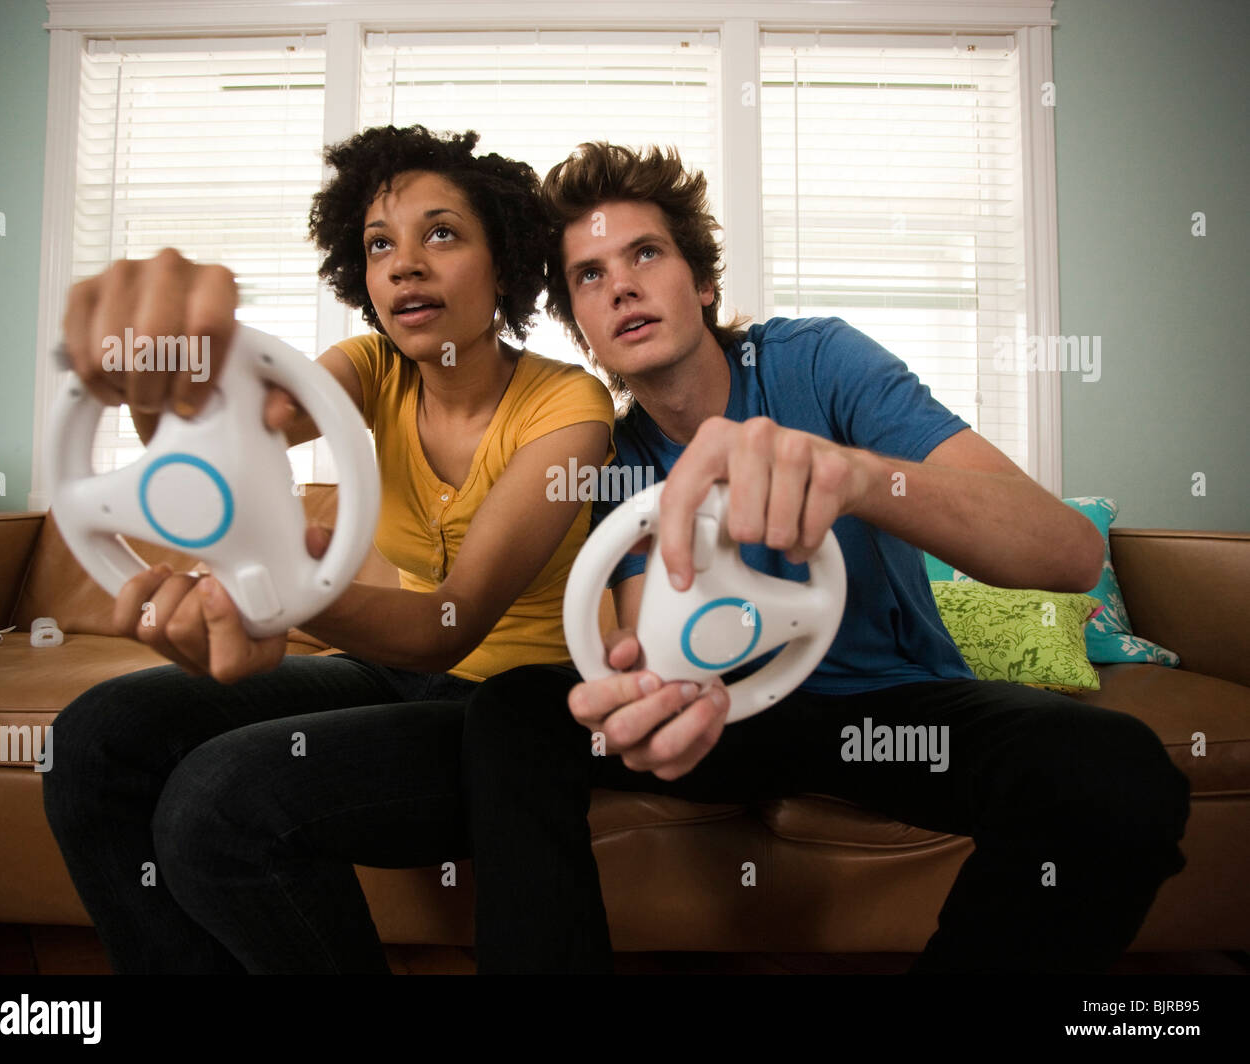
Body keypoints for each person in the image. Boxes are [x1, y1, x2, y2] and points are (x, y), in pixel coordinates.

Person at [459, 142, 1192, 973]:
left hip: (890, 711)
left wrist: (856, 475)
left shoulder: (819, 361)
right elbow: (652, 651)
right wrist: (648, 708)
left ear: (702, 283)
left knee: (1118, 771)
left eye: (646, 253)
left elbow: (1068, 551)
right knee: (515, 711)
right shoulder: (610, 452)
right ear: (584, 331)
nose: (620, 284)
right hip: (731, 720)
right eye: (589, 276)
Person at [42, 125, 614, 973]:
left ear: (507, 261)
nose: (403, 264)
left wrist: (283, 591)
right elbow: (237, 425)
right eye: (380, 243)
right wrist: (167, 369)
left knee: (216, 801)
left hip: (510, 710)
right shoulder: (367, 369)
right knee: (95, 738)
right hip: (390, 678)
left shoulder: (572, 408)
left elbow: (447, 626)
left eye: (442, 233)